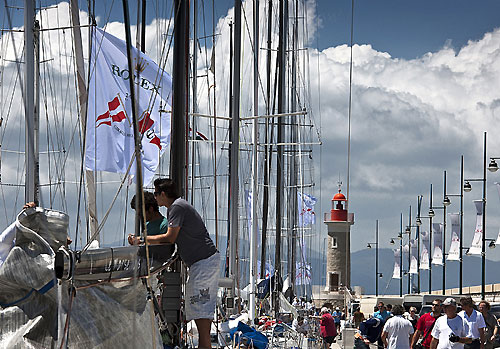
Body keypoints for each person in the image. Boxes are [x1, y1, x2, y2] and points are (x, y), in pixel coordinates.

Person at [128, 178, 219, 349]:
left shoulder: (176, 207)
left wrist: (141, 240)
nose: (155, 198)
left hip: (203, 261)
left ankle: (205, 346)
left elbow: (170, 238)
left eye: (156, 194)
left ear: (163, 194)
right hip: (201, 262)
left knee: (199, 305)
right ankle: (204, 346)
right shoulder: (175, 208)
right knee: (199, 306)